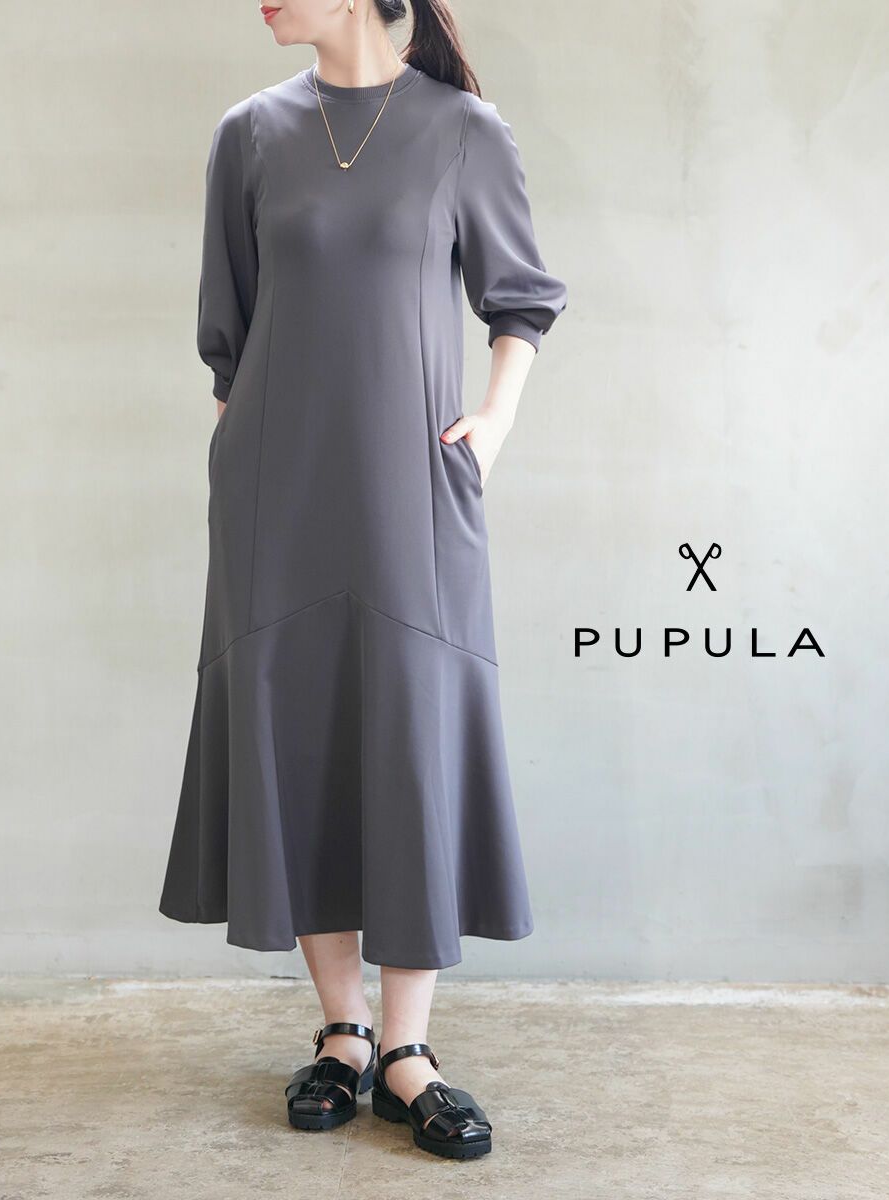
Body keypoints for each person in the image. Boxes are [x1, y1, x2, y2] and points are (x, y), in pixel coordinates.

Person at [159, 0, 567, 1160]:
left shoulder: (462, 131)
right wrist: (239, 458)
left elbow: (521, 299)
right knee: (297, 729)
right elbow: (229, 334)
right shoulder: (249, 133)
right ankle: (341, 1033)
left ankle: (407, 1051)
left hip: (409, 493)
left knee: (409, 732)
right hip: (274, 494)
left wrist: (492, 423)